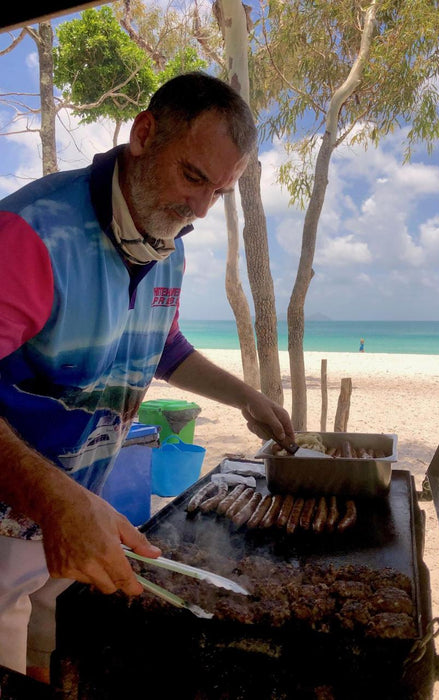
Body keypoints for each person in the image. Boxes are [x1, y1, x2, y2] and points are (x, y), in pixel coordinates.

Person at [0, 71, 295, 681]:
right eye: (193, 177)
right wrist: (57, 504)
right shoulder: (31, 236)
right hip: (12, 521)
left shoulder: (169, 242)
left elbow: (163, 346)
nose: (199, 211)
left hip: (75, 508)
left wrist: (245, 396)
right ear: (143, 134)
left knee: (57, 661)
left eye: (219, 192)